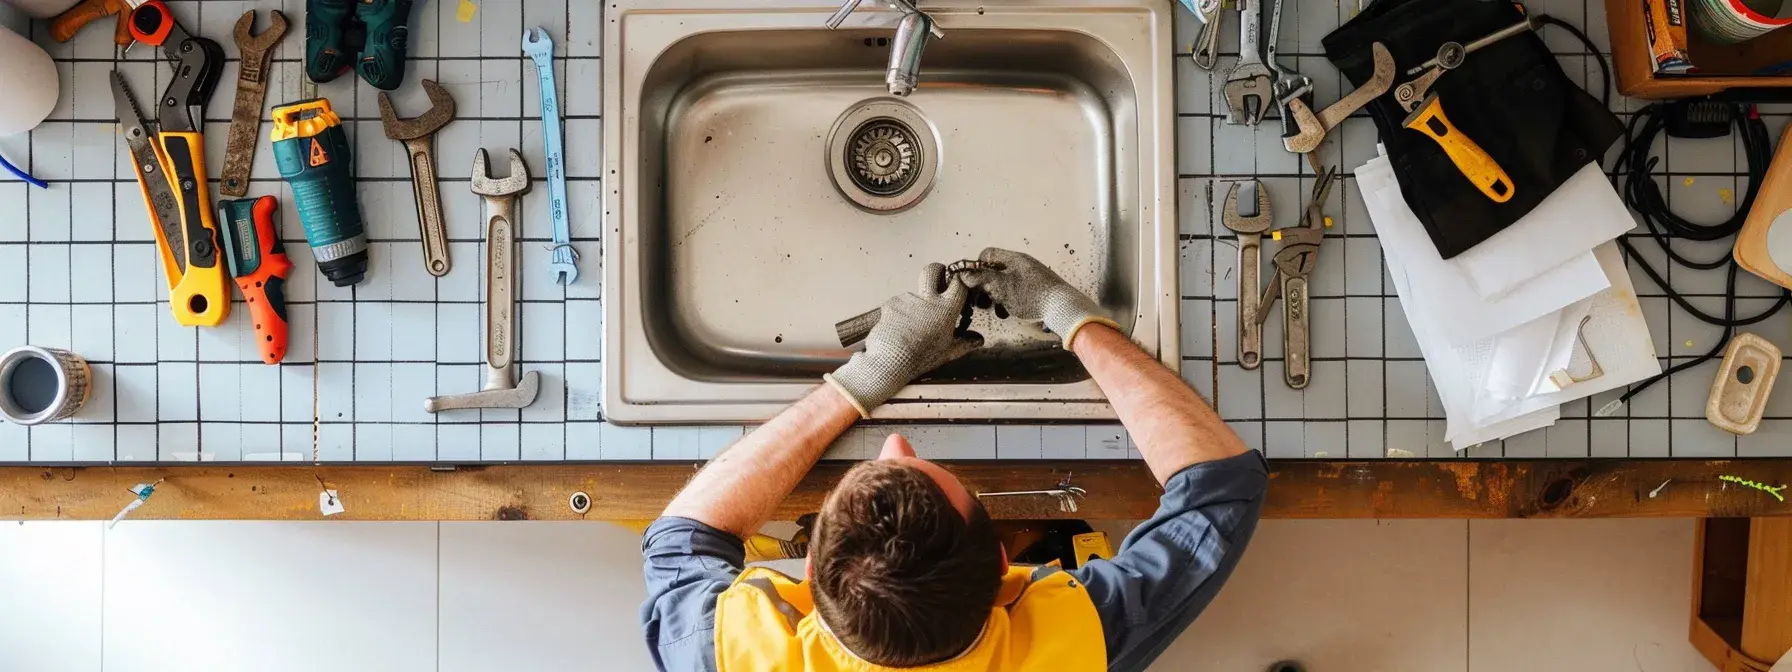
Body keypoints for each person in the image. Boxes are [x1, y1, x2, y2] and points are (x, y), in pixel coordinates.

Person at [640, 248, 1269, 671]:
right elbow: (1218, 487)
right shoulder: (1070, 646)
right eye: (921, 467)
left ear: (807, 579)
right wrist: (1069, 315)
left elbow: (680, 536)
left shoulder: (736, 652)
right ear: (1005, 564)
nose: (896, 445)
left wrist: (871, 374)